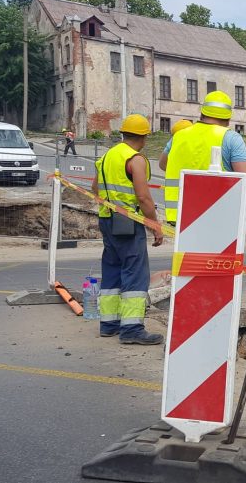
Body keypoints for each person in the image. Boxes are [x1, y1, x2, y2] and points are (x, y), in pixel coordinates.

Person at [90, 114, 165, 345]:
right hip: (128, 223)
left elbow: (94, 188)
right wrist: (154, 225)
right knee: (135, 274)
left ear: (123, 133)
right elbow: (143, 197)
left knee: (112, 271)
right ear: (143, 137)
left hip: (107, 221)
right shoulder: (135, 159)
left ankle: (109, 324)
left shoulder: (107, 156)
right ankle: (132, 329)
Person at [163, 91, 246, 224]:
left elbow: (163, 164)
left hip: (180, 216)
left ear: (202, 114)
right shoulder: (231, 138)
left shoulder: (179, 136)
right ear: (228, 119)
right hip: (215, 217)